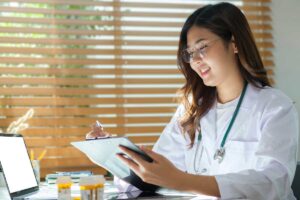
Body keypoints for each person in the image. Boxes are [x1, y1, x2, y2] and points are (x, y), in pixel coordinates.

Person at [86, 2, 299, 199]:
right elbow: (154, 174)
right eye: (190, 53)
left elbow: (273, 182)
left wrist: (184, 181)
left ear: (234, 44)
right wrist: (113, 154)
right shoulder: (192, 109)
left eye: (203, 47)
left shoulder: (275, 107)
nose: (195, 61)